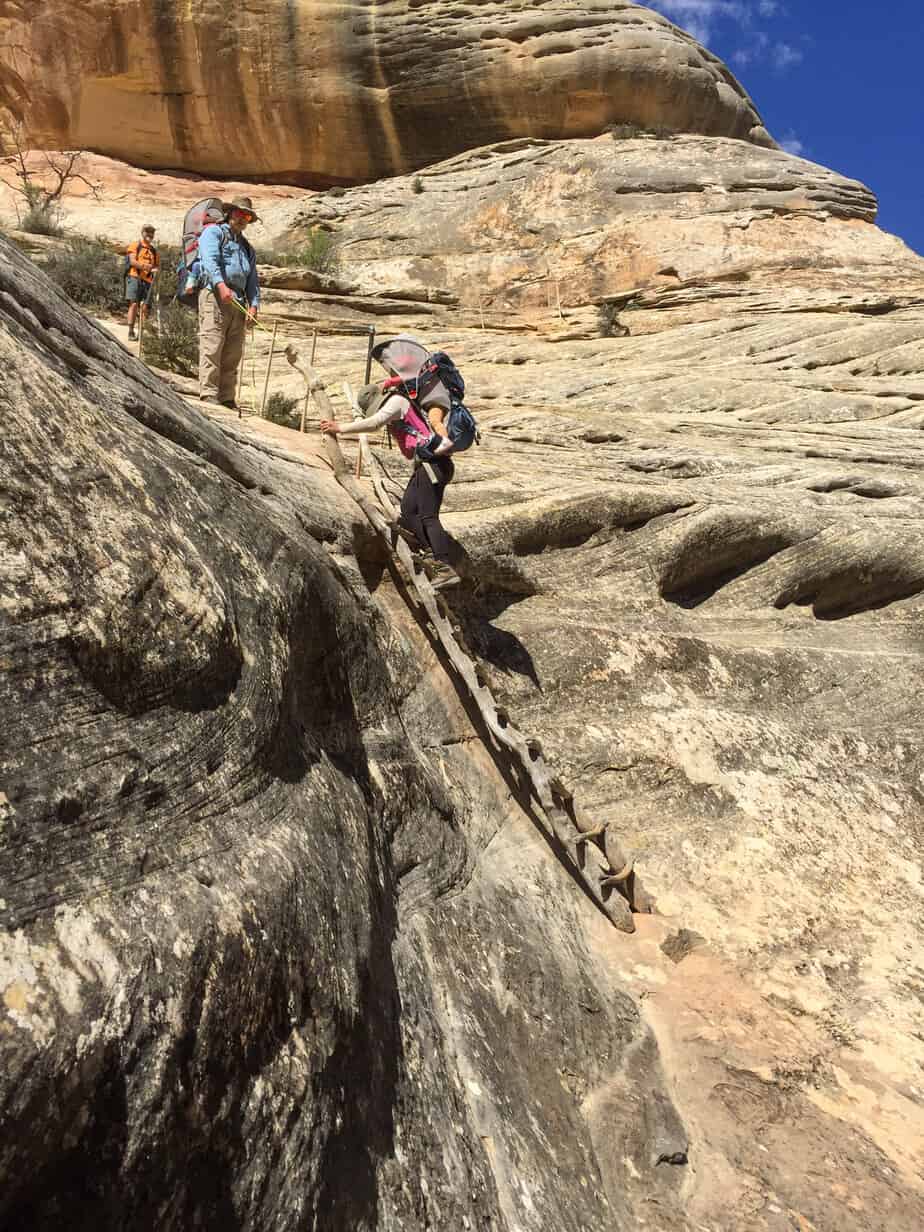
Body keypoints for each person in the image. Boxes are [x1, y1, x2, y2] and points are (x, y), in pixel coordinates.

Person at [319, 381, 461, 590]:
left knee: (428, 515)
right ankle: (430, 552)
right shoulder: (399, 412)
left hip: (433, 464)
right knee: (408, 510)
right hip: (428, 464)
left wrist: (340, 428)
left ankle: (443, 565)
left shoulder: (397, 401)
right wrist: (399, 432)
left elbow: (375, 422)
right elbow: (407, 452)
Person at [197, 195, 261, 408]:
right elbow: (209, 260)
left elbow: (252, 279)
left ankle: (226, 397)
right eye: (240, 213)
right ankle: (208, 394)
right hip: (215, 296)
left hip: (238, 302)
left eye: (247, 216)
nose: (243, 218)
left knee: (233, 352)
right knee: (212, 345)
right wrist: (221, 285)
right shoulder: (214, 233)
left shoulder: (247, 247)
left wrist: (254, 305)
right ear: (230, 212)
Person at [124, 224, 159, 341]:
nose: (150, 234)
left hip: (148, 281)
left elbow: (156, 266)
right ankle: (130, 331)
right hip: (134, 277)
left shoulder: (154, 251)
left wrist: (155, 270)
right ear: (142, 232)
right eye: (147, 232)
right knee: (133, 303)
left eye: (152, 232)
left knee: (145, 307)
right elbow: (132, 261)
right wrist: (146, 266)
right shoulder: (135, 245)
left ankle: (142, 333)